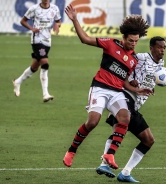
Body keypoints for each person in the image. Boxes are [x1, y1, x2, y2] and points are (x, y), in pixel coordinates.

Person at [63, 3, 151, 170]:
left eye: (136, 41)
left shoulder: (133, 59)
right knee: (92, 122)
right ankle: (71, 151)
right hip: (100, 88)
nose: (133, 44)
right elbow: (85, 39)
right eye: (131, 41)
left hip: (116, 92)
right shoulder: (110, 44)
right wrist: (75, 20)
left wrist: (137, 89)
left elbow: (123, 81)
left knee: (125, 118)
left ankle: (109, 154)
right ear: (124, 37)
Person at [96, 36, 166, 182]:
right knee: (119, 128)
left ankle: (126, 173)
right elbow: (123, 68)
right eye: (160, 47)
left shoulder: (161, 65)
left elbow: (148, 79)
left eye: (164, 48)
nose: (162, 50)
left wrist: (149, 87)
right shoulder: (140, 58)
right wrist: (130, 81)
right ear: (151, 47)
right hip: (124, 98)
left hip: (135, 105)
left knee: (148, 140)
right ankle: (104, 164)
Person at [13, 0, 61, 102]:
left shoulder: (55, 8)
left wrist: (57, 25)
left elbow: (58, 21)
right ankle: (45, 94)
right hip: (37, 40)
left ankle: (17, 81)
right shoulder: (34, 9)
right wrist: (32, 28)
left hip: (47, 41)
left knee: (35, 67)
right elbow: (23, 21)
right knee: (45, 63)